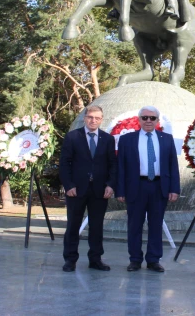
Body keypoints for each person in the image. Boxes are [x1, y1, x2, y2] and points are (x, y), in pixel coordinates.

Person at [117, 106, 180, 273]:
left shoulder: (166, 138)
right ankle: (135, 260)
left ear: (157, 121)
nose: (148, 121)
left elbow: (173, 166)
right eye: (144, 118)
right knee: (134, 225)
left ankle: (153, 260)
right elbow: (121, 167)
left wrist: (174, 188)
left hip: (159, 187)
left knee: (156, 224)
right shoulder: (127, 140)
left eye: (152, 118)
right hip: (136, 186)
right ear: (139, 120)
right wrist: (120, 190)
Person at [59, 105, 117, 272]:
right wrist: (68, 185)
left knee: (97, 226)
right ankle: (70, 259)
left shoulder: (108, 139)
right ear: (85, 118)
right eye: (91, 117)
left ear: (101, 120)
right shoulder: (72, 137)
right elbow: (64, 163)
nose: (93, 121)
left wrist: (110, 185)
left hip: (100, 190)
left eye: (97, 118)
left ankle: (96, 259)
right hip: (76, 190)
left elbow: (113, 164)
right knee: (73, 226)